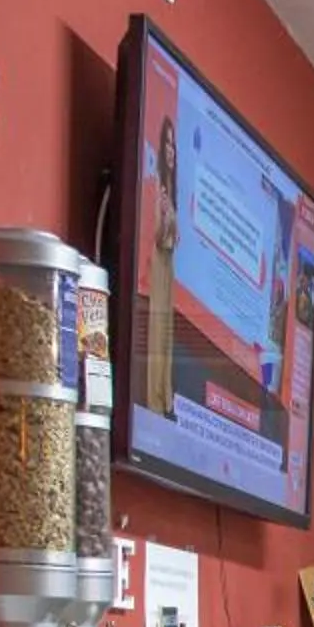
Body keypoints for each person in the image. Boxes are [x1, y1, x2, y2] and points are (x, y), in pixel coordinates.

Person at [142, 113, 179, 414]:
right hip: (158, 268)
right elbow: (157, 236)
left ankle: (165, 399)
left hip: (169, 270)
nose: (170, 149)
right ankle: (153, 403)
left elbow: (174, 239)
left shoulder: (172, 191)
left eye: (173, 144)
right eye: (166, 142)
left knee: (167, 337)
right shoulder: (156, 185)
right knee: (156, 333)